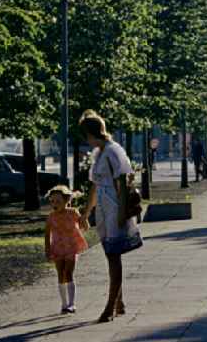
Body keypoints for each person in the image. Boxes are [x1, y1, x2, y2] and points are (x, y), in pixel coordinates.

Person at [78, 110, 143, 323]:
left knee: (114, 256)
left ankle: (110, 306)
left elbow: (122, 184)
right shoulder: (99, 153)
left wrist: (121, 213)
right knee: (110, 253)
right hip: (104, 209)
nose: (85, 140)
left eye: (85, 134)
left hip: (115, 206)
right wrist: (86, 213)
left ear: (91, 133)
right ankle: (119, 302)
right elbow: (95, 186)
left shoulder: (113, 152)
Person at [44, 185, 89, 314]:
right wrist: (47, 249)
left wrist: (84, 220)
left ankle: (72, 304)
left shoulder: (73, 212)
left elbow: (85, 227)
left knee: (68, 273)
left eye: (58, 201)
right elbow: (47, 234)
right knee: (60, 274)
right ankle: (64, 304)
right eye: (52, 201)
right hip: (57, 248)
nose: (54, 204)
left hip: (71, 247)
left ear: (66, 201)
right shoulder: (51, 217)